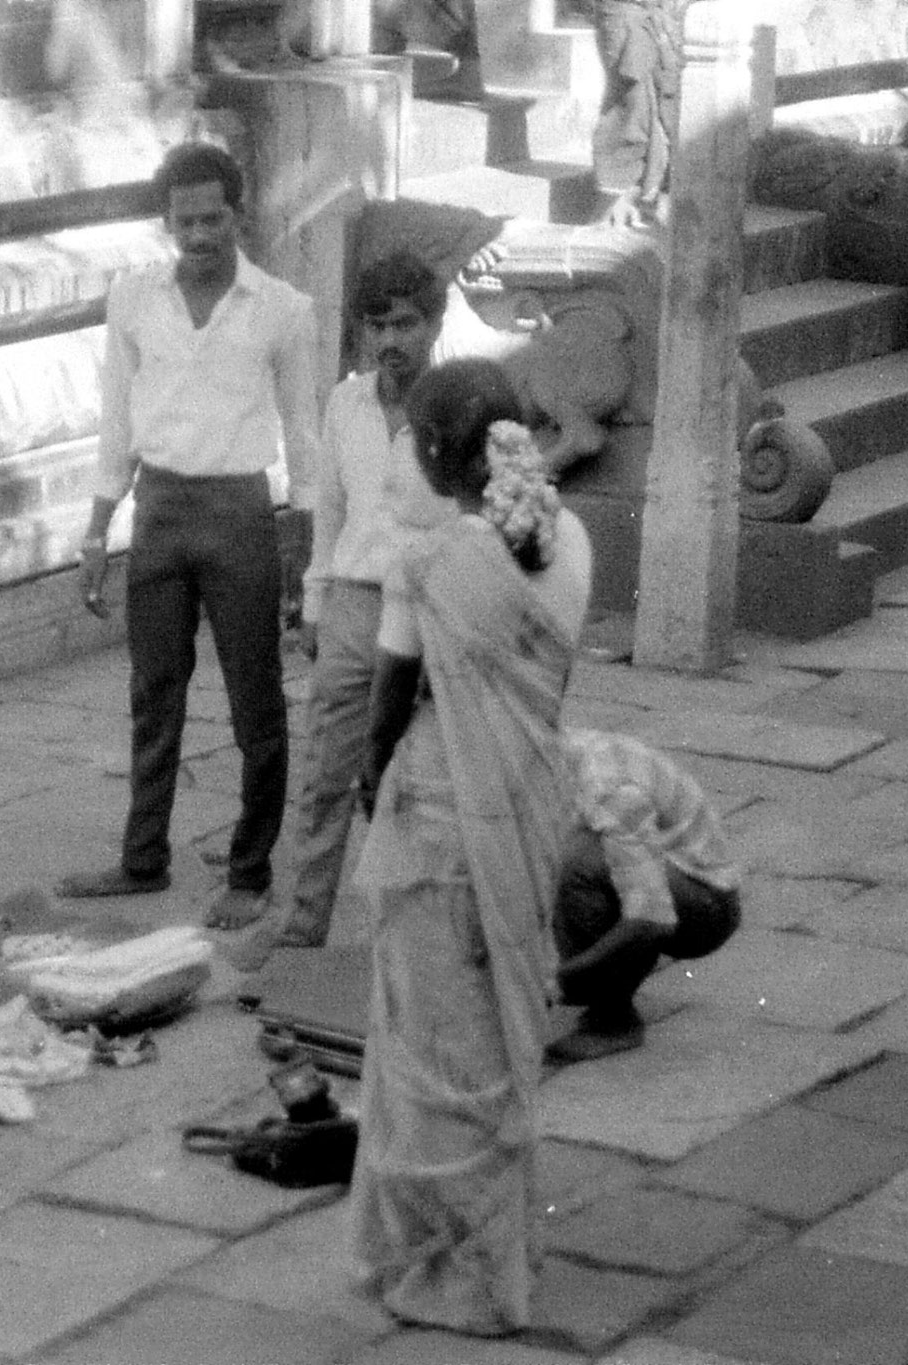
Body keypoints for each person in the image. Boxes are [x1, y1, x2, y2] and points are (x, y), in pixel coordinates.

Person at [348, 358, 594, 1335]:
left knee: (435, 1049)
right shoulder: (566, 536)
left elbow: (384, 707)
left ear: (436, 455)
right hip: (530, 798)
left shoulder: (432, 561)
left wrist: (369, 784)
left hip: (440, 814)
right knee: (499, 1035)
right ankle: (499, 1251)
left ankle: (467, 1281)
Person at [61, 142, 322, 931]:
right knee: (154, 692)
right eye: (186, 221)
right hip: (161, 511)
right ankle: (143, 857)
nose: (201, 234)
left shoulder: (283, 309)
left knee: (255, 702)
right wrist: (98, 527)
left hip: (241, 514)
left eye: (214, 218)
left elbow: (302, 433)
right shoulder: (134, 300)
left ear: (237, 215)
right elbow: (115, 420)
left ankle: (250, 865)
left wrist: (304, 539)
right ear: (166, 222)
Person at [280, 251, 457, 950]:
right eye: (377, 325)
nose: (391, 341)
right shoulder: (345, 402)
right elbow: (329, 510)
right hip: (355, 604)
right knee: (326, 771)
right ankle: (301, 928)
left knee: (423, 781)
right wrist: (316, 606)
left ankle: (416, 939)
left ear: (435, 324)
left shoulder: (461, 403)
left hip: (434, 607)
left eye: (407, 324)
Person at [545, 727, 742, 1064]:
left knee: (579, 865)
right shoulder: (558, 756)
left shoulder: (608, 787)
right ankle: (615, 967)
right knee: (567, 859)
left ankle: (613, 1020)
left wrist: (561, 980)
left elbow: (652, 918)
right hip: (656, 873)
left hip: (706, 903)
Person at [591, 0, 685, 229]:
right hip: (624, 15)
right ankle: (614, 202)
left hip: (658, 15)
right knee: (632, 103)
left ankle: (645, 198)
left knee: (662, 105)